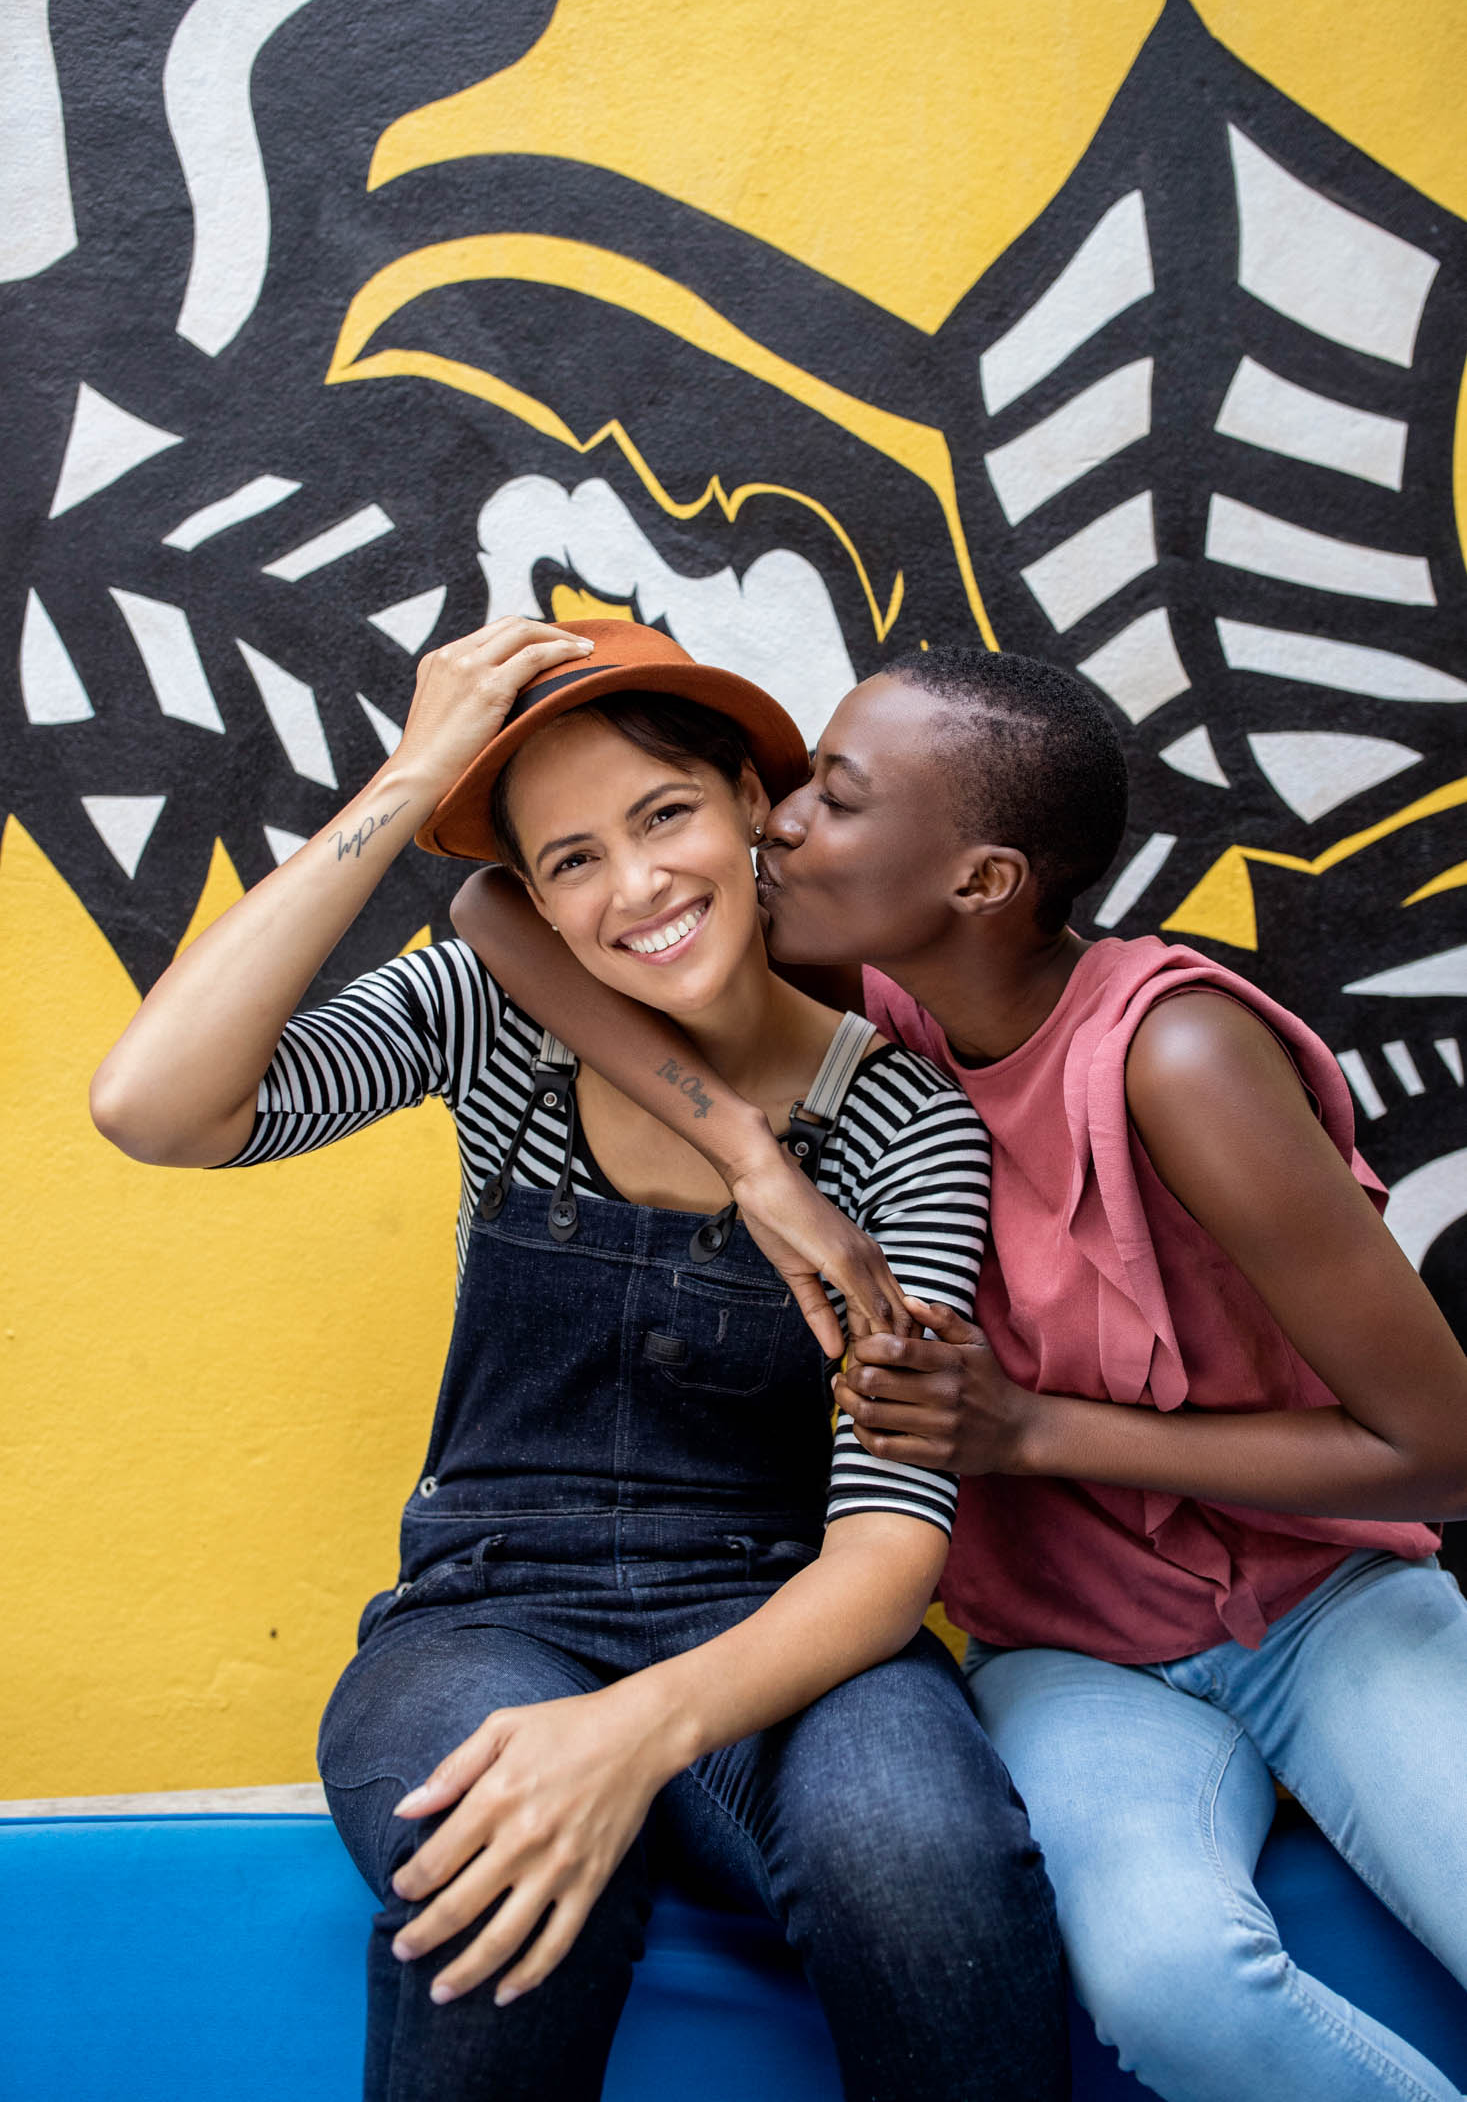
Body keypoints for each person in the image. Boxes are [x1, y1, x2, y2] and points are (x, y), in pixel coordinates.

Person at [453, 641, 1467, 2102]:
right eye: (799, 788)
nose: (779, 821)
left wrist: (1034, 1432)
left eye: (836, 801)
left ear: (981, 881)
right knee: (1170, 1982)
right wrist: (746, 1151)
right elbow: (494, 908)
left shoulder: (1174, 1057)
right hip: (1067, 1661)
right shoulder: (883, 994)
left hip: (1325, 1607)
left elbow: (1442, 1448)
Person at [89, 618, 1066, 2102]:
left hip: (783, 1620)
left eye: (665, 816)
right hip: (488, 1613)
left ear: (755, 805)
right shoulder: (488, 1021)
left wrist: (629, 1735)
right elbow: (155, 1105)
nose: (638, 890)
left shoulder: (904, 1126)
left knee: (923, 1859)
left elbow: (882, 1558)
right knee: (486, 1857)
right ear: (535, 895)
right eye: (573, 862)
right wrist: (412, 774)